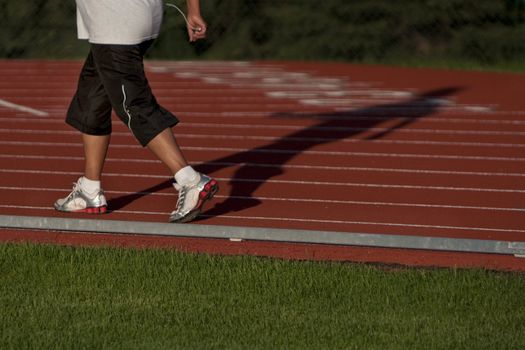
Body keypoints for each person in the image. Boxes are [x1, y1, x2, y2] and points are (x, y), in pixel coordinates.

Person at [54, 0, 218, 223]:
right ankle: (89, 190)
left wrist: (193, 10)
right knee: (93, 97)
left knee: (133, 104)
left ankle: (190, 180)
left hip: (116, 22)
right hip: (132, 18)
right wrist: (193, 9)